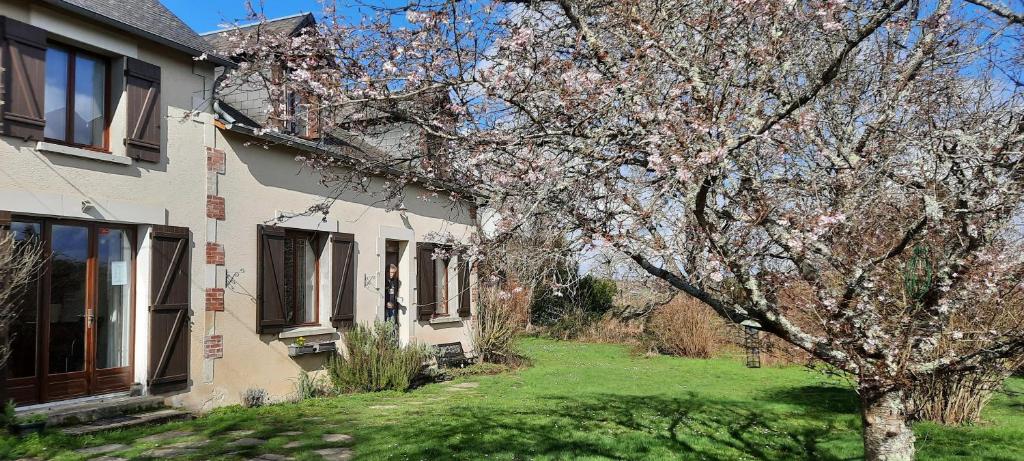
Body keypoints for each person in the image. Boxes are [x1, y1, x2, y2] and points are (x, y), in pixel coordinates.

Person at [384, 263, 401, 328]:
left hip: (393, 307)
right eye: (391, 272)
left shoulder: (394, 281)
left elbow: (395, 293)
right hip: (385, 307)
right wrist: (386, 302)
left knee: (393, 324)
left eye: (394, 273)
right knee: (386, 323)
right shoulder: (384, 281)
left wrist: (397, 300)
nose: (392, 274)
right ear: (387, 272)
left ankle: (392, 337)